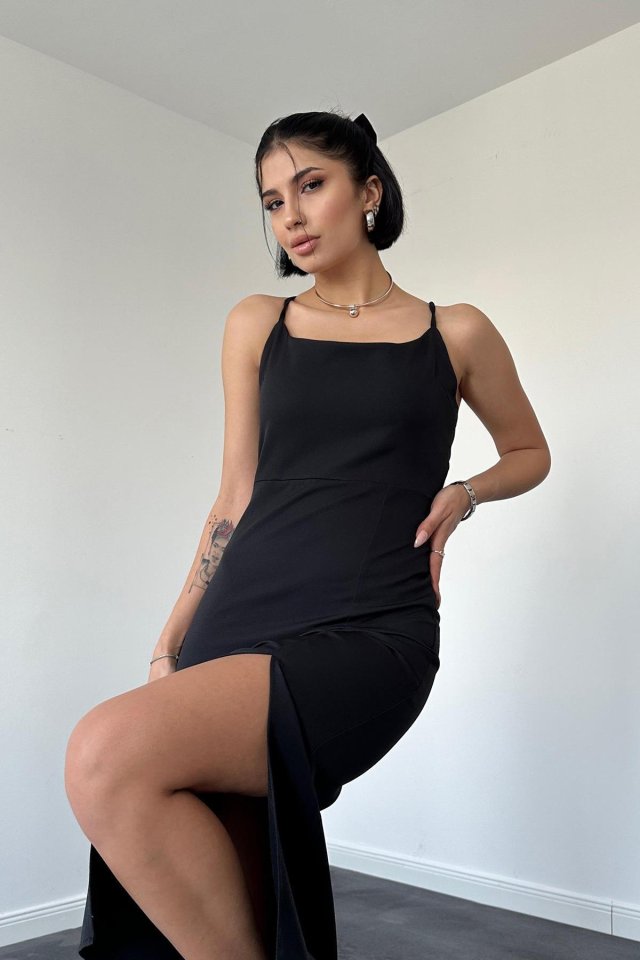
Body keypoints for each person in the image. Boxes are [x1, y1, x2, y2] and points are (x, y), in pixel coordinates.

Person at [65, 109, 551, 960]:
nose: (289, 215)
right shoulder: (257, 322)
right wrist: (170, 640)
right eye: (271, 201)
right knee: (230, 880)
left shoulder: (456, 331)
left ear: (369, 192)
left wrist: (464, 494)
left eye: (311, 185)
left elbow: (529, 452)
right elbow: (234, 496)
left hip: (374, 627)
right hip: (240, 614)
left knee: (103, 753)